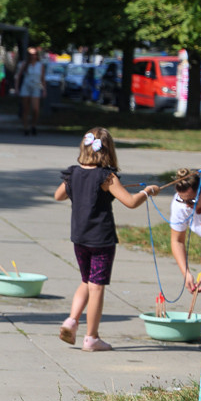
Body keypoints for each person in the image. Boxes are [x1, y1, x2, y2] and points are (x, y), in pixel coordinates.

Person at [55, 129, 159, 351]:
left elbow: (58, 195)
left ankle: (72, 321)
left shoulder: (73, 173)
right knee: (97, 287)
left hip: (79, 238)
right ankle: (91, 337)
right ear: (109, 150)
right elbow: (130, 202)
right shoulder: (106, 176)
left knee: (86, 280)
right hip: (101, 239)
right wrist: (148, 191)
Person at [169, 167, 201, 293]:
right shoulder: (180, 204)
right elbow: (177, 240)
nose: (187, 205)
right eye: (183, 200)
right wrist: (186, 273)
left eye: (192, 200)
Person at [16, 47, 46, 136]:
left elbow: (43, 78)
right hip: (26, 87)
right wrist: (17, 88)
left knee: (35, 109)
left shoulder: (40, 65)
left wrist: (44, 90)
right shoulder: (24, 64)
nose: (33, 56)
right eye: (31, 55)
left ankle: (33, 125)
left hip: (36, 87)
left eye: (35, 54)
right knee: (26, 109)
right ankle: (26, 127)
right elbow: (18, 76)